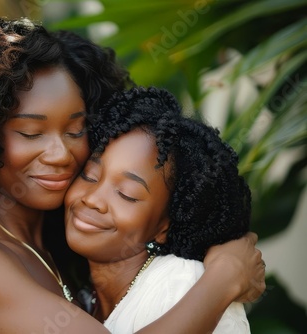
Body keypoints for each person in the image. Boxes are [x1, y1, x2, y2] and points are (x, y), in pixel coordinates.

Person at [0, 18, 265, 333]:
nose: (61, 154)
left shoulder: (64, 238)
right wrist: (223, 279)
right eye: (31, 134)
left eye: (75, 130)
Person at [64, 86, 255, 332]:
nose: (93, 199)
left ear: (163, 226)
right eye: (90, 176)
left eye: (126, 194)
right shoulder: (86, 298)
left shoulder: (182, 285)